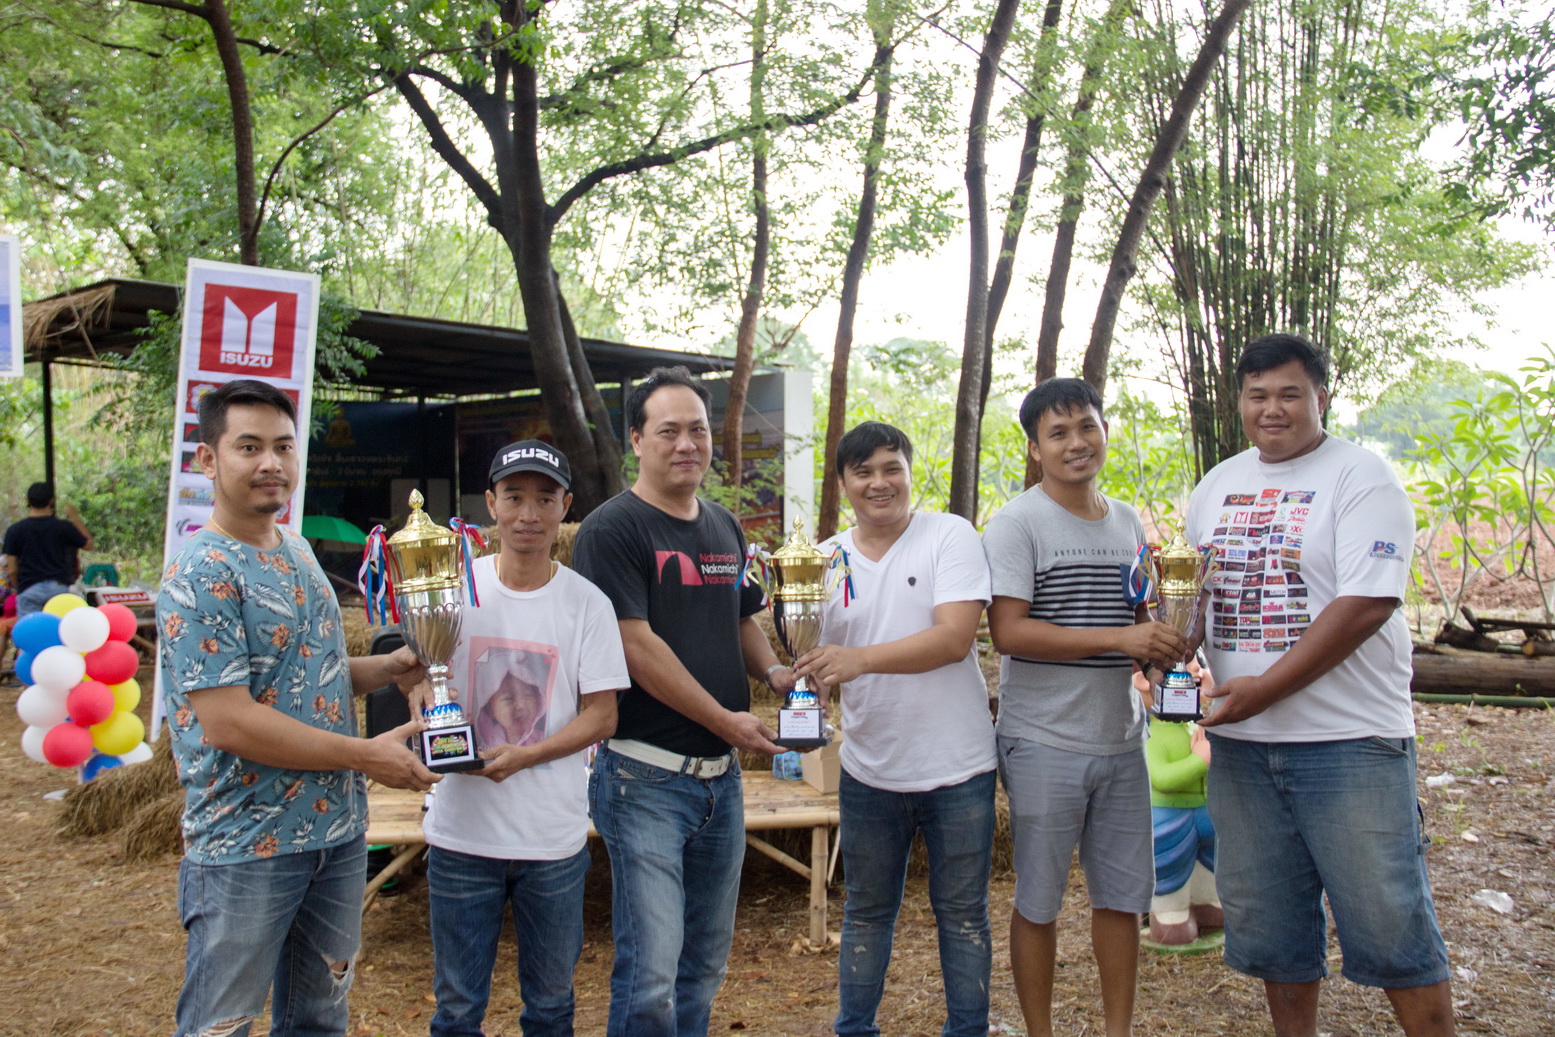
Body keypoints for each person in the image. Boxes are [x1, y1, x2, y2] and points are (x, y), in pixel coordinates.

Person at [1186, 333, 1455, 1036]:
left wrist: (1266, 687)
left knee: (1391, 926)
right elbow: (1200, 598)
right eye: (1257, 395)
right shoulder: (1216, 485)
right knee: (1274, 933)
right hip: (1243, 747)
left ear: (1320, 397)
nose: (1272, 408)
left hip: (1349, 742)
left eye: (1289, 393)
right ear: (1239, 401)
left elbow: (1366, 603)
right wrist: (1168, 652)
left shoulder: (1361, 477)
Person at [157, 379, 439, 1037]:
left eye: (283, 446)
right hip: (246, 845)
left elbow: (310, 677)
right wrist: (364, 755)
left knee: (318, 1017)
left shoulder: (299, 551)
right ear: (207, 459)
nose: (271, 463)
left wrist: (387, 668)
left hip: (335, 835)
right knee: (220, 1026)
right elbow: (229, 720)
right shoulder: (201, 572)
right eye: (249, 446)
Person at [571, 365, 795, 1037]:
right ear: (637, 440)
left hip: (720, 781)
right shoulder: (612, 530)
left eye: (698, 429)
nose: (687, 444)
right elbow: (634, 645)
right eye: (668, 431)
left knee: (702, 965)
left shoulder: (724, 526)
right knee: (650, 977)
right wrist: (725, 719)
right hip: (644, 777)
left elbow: (741, 617)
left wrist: (776, 673)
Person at [982, 378, 1187, 1037]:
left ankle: (1118, 1029)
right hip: (1043, 739)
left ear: (1104, 430)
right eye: (1058, 433)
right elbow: (1009, 632)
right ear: (1034, 448)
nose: (1076, 443)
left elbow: (1137, 616)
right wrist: (1121, 639)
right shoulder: (1016, 523)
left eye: (1086, 426)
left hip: (1122, 739)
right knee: (1038, 902)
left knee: (1122, 901)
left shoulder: (1126, 520)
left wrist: (1160, 650)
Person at [792, 421, 995, 1037]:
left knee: (963, 915)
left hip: (959, 767)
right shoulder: (823, 559)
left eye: (891, 468)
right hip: (869, 770)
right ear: (843, 483)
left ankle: (968, 1030)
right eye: (864, 472)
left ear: (909, 472)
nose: (879, 483)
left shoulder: (950, 535)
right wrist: (806, 689)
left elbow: (954, 638)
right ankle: (855, 1028)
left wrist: (857, 661)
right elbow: (814, 655)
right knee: (866, 912)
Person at [418, 439, 626, 1037]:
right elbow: (423, 674)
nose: (528, 514)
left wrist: (528, 755)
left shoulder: (588, 603)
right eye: (514, 498)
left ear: (566, 507)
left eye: (544, 499)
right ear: (491, 504)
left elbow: (602, 717)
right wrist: (425, 698)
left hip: (552, 840)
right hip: (462, 835)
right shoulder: (452, 590)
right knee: (457, 1011)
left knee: (552, 1008)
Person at [1132, 664, 1221, 947]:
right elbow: (1161, 778)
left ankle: (1205, 904)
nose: (1198, 671)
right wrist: (1199, 761)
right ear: (1143, 681)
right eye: (1185, 668)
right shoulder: (1152, 735)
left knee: (1211, 893)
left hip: (1205, 818)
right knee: (1170, 883)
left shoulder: (1195, 725)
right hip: (1169, 823)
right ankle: (1169, 915)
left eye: (1199, 664)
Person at [3, 481, 92, 616]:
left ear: (27, 500)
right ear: (51, 501)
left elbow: (12, 570)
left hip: (29, 588)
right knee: (58, 627)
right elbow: (88, 544)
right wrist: (74, 517)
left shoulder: (15, 530)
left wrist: (20, 588)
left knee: (30, 629)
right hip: (58, 589)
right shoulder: (63, 527)